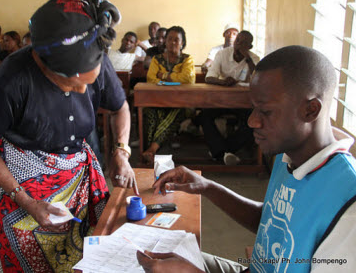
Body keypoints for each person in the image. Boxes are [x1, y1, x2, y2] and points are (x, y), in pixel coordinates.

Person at [137, 45, 356, 273]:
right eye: (253, 109)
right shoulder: (289, 155)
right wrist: (207, 187)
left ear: (311, 110)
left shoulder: (348, 207)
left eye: (266, 111)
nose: (252, 121)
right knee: (148, 258)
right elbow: (273, 223)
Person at [0, 0, 137, 272]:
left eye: (90, 82)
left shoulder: (96, 57)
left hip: (76, 175)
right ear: (43, 64)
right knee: (29, 259)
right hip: (22, 181)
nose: (84, 92)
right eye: (72, 85)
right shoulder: (11, 80)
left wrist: (121, 151)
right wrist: (26, 201)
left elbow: (120, 108)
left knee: (86, 253)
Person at [199, 30, 260, 164]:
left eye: (244, 43)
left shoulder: (254, 59)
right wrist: (223, 82)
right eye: (238, 41)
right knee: (204, 116)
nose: (238, 45)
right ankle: (225, 153)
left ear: (249, 47)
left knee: (252, 123)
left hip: (243, 103)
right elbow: (209, 77)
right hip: (222, 100)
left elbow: (258, 81)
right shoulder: (222, 54)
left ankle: (220, 151)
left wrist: (248, 59)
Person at [142, 26, 195, 164]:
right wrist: (174, 79)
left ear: (182, 43)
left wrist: (164, 76)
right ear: (165, 41)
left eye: (176, 40)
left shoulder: (187, 59)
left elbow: (187, 79)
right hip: (158, 100)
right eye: (169, 39)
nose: (172, 42)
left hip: (182, 102)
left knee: (175, 112)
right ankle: (152, 150)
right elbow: (151, 79)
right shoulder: (157, 59)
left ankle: (152, 150)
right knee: (150, 112)